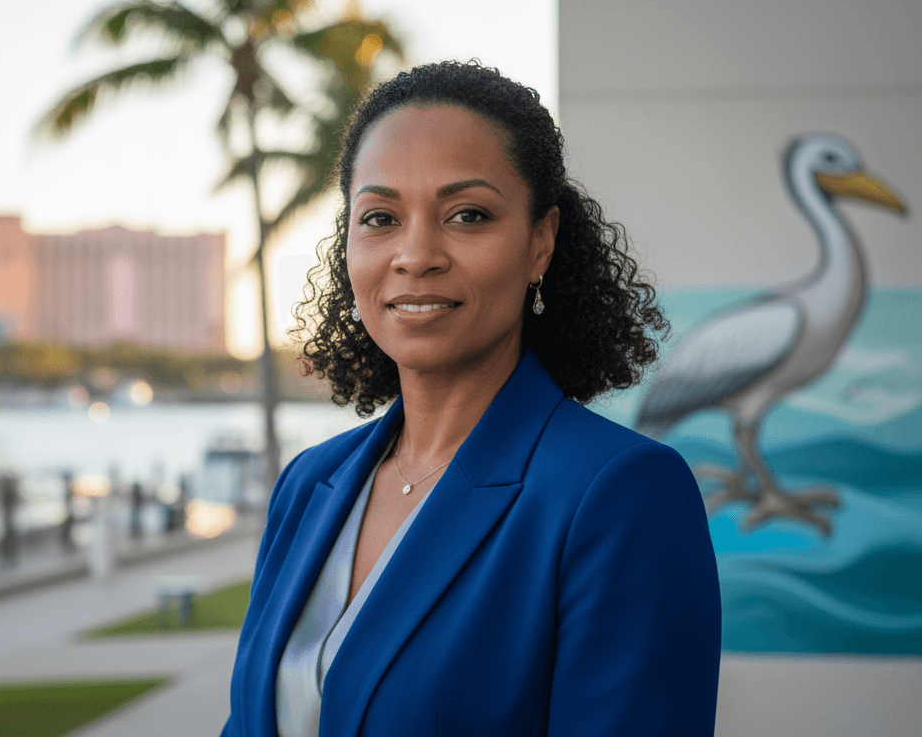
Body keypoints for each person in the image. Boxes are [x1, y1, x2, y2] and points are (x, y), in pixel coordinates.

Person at [221, 61, 721, 737]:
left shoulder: (618, 494)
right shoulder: (310, 483)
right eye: (380, 217)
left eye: (468, 214)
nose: (415, 253)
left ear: (539, 242)